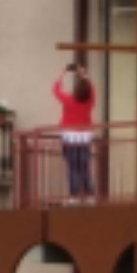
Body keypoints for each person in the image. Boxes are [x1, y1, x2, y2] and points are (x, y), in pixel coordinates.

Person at [52, 63, 97, 200]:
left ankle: (74, 196)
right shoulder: (89, 101)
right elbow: (92, 89)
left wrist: (62, 73)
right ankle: (90, 195)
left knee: (73, 167)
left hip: (69, 138)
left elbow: (56, 90)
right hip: (84, 138)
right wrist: (84, 75)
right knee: (84, 166)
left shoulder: (69, 100)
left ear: (75, 90)